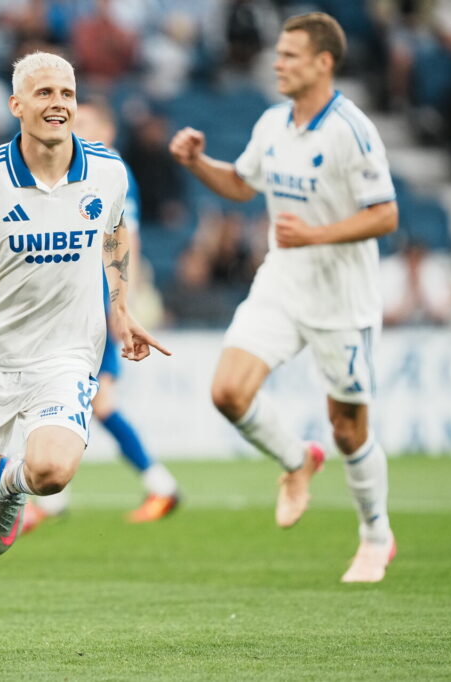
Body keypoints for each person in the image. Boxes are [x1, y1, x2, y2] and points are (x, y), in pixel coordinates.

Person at [0, 52, 170, 660]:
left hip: (65, 354)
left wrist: (122, 306)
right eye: (44, 92)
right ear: (17, 105)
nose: (58, 102)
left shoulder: (106, 170)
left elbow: (114, 232)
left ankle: (18, 488)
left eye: (67, 92)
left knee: (53, 471)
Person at [169, 12, 399, 583]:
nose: (278, 63)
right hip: (281, 282)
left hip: (341, 296)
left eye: (291, 55)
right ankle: (297, 460)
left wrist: (317, 234)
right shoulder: (273, 123)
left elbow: (386, 214)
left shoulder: (352, 129)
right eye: (278, 53)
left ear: (324, 62)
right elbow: (243, 186)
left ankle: (375, 536)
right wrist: (198, 162)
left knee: (348, 429)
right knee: (227, 391)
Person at [33, 96, 180, 524]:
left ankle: (155, 483)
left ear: (109, 130)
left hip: (91, 299)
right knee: (92, 399)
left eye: (90, 121)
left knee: (88, 397)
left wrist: (120, 303)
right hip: (75, 297)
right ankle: (154, 484)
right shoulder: (77, 171)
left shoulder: (110, 169)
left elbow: (123, 234)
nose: (78, 128)